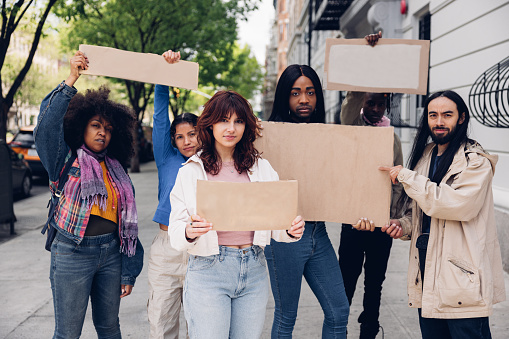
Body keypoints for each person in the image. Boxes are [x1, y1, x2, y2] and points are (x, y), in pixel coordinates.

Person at [168, 90, 305, 339]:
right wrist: (189, 231)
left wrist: (289, 230)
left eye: (238, 121)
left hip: (253, 268)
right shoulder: (191, 171)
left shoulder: (261, 168)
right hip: (209, 270)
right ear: (210, 124)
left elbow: (276, 225)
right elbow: (175, 233)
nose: (231, 128)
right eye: (223, 120)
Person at [34, 51, 144, 339]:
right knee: (68, 333)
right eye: (96, 125)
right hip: (72, 252)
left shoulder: (116, 169)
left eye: (108, 129)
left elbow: (127, 224)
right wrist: (71, 79)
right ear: (81, 126)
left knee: (110, 329)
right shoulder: (65, 160)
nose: (102, 133)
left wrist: (127, 271)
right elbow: (46, 129)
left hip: (110, 254)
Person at [379, 90, 506, 339]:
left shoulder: (475, 161)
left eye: (447, 115)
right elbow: (420, 211)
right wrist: (403, 226)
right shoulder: (426, 155)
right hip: (427, 269)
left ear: (461, 118)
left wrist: (406, 176)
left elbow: (456, 205)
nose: (439, 122)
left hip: (462, 275)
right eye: (433, 115)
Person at [266, 64, 350, 338]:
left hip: (319, 232)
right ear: (284, 98)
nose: (304, 99)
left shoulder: (327, 135)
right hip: (284, 237)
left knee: (339, 312)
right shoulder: (267, 136)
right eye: (296, 93)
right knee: (286, 316)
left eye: (311, 92)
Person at [336, 31, 404, 339]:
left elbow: (400, 182)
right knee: (346, 280)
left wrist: (392, 217)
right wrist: (368, 55)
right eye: (371, 102)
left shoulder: (393, 137)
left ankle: (369, 329)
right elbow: (352, 99)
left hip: (381, 225)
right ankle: (338, 328)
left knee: (375, 281)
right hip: (353, 222)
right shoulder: (353, 128)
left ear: (387, 105)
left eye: (381, 104)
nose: (376, 108)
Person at [147, 50, 199, 339]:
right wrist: (164, 75)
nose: (186, 140)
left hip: (198, 248)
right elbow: (159, 117)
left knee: (201, 323)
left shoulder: (209, 161)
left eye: (192, 134)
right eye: (180, 136)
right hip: (166, 249)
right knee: (161, 323)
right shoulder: (167, 158)